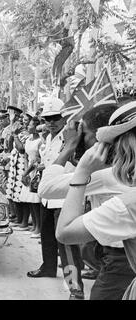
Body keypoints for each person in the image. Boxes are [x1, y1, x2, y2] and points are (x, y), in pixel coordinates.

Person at [41, 103, 134, 300]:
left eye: (86, 133)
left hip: (120, 260)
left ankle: (75, 290)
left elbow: (46, 189)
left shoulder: (111, 176)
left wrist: (70, 148)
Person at [26, 97, 85, 300]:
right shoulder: (49, 137)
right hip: (49, 195)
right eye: (48, 118)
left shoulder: (73, 136)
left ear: (64, 117)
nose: (51, 122)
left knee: (66, 244)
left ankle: (75, 287)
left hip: (66, 196)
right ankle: (48, 267)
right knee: (47, 238)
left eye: (56, 118)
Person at [20, 116, 42, 238]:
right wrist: (24, 172)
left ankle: (39, 227)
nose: (28, 126)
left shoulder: (40, 141)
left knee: (35, 201)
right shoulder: (28, 139)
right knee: (30, 201)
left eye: (30, 125)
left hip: (35, 171)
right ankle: (34, 225)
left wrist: (27, 172)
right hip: (28, 170)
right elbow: (26, 157)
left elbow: (36, 159)